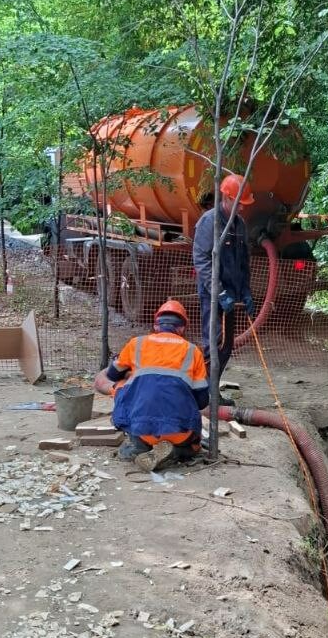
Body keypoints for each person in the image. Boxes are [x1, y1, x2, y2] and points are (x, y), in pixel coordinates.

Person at [94, 299, 209, 472]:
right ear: (182, 328)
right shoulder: (193, 351)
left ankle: (140, 447)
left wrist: (134, 375)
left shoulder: (136, 343)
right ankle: (179, 451)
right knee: (193, 444)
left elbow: (111, 375)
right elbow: (202, 401)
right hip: (180, 432)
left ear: (156, 326)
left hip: (144, 431)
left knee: (128, 386)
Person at [192, 173, 255, 388]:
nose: (242, 208)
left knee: (227, 346)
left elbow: (243, 261)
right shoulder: (209, 222)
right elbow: (201, 261)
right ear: (227, 198)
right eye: (239, 203)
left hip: (233, 294)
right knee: (214, 345)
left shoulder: (240, 225)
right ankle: (206, 393)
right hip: (213, 295)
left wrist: (245, 291)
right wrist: (218, 293)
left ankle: (212, 389)